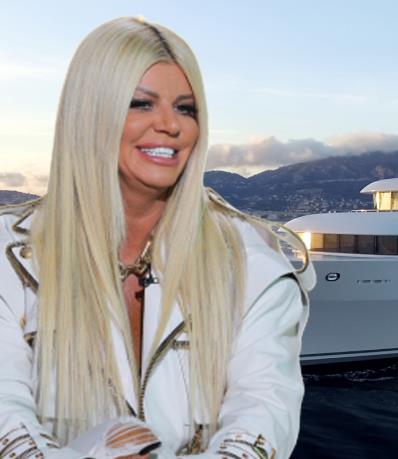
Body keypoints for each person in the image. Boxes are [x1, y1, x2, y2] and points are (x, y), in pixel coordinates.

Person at [0, 17, 314, 459]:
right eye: (141, 104)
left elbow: (263, 414)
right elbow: (7, 420)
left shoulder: (252, 262)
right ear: (89, 114)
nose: (170, 124)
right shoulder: (7, 258)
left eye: (186, 108)